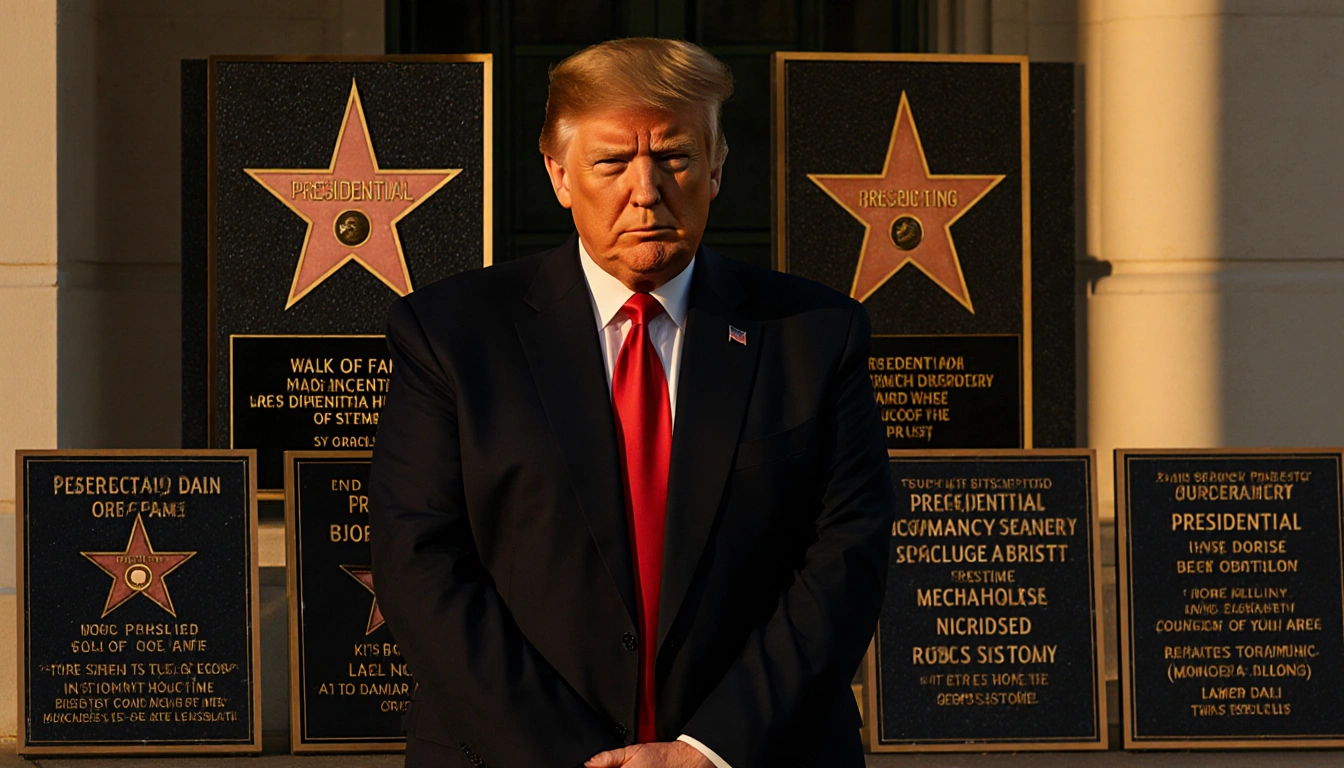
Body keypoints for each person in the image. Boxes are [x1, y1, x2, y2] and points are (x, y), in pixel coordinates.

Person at [369, 38, 894, 768]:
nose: (645, 190)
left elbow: (847, 555)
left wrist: (708, 752)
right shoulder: (450, 336)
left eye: (674, 157)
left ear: (716, 167)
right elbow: (421, 563)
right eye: (612, 162)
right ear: (558, 175)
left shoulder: (814, 336)